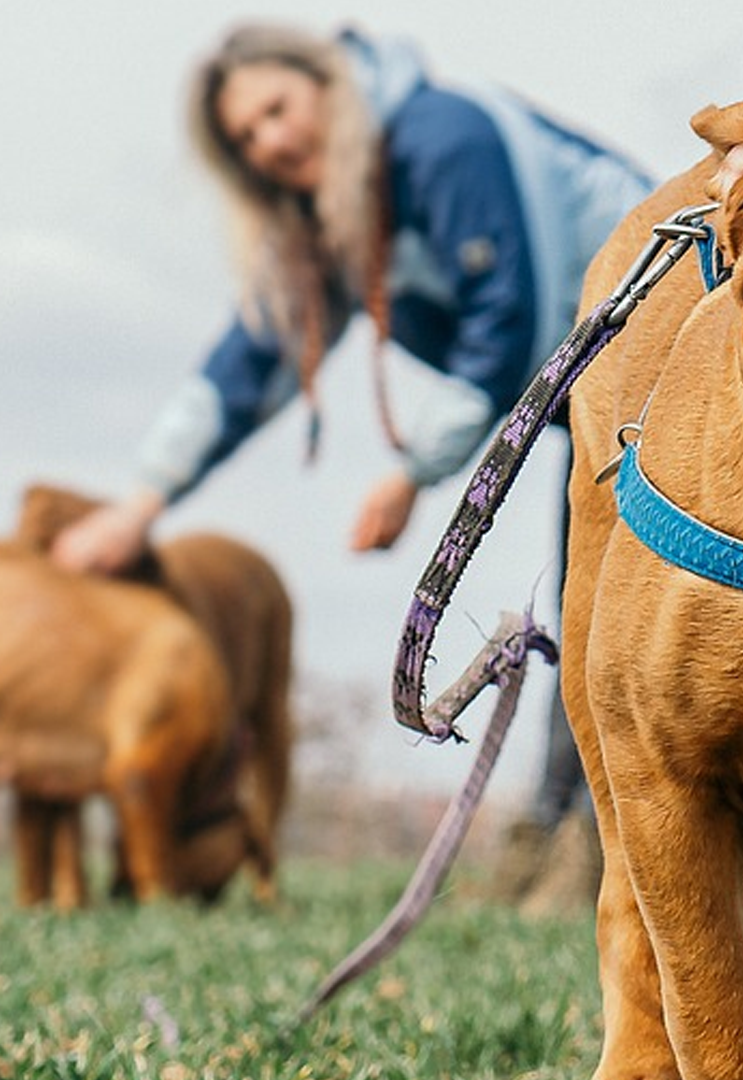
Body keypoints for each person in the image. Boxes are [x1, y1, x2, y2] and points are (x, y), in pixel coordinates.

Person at [51, 21, 640, 911]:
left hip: (670, 354)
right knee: (588, 602)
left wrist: (412, 474)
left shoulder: (443, 138)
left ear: (327, 84)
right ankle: (556, 838)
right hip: (592, 399)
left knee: (606, 608)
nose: (271, 141)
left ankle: (588, 847)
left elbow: (507, 320)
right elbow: (251, 362)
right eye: (246, 138)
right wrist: (142, 502)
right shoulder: (338, 217)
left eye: (277, 109)